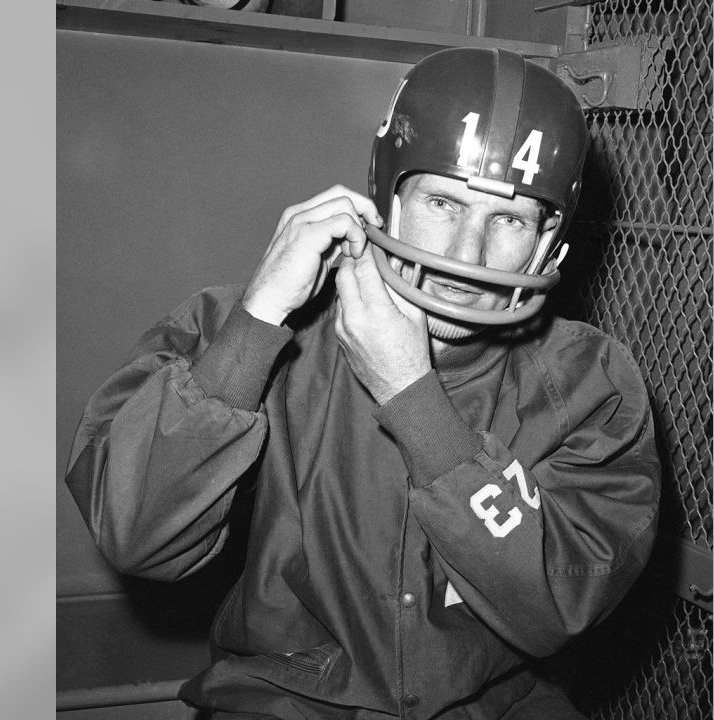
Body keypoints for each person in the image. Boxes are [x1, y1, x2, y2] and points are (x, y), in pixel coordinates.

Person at [65, 47, 661, 719]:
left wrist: (414, 400)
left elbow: (560, 602)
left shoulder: (590, 380)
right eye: (442, 202)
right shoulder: (242, 329)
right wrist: (256, 325)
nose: (465, 258)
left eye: (509, 219)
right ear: (386, 200)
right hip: (285, 701)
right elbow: (137, 537)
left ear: (551, 242)